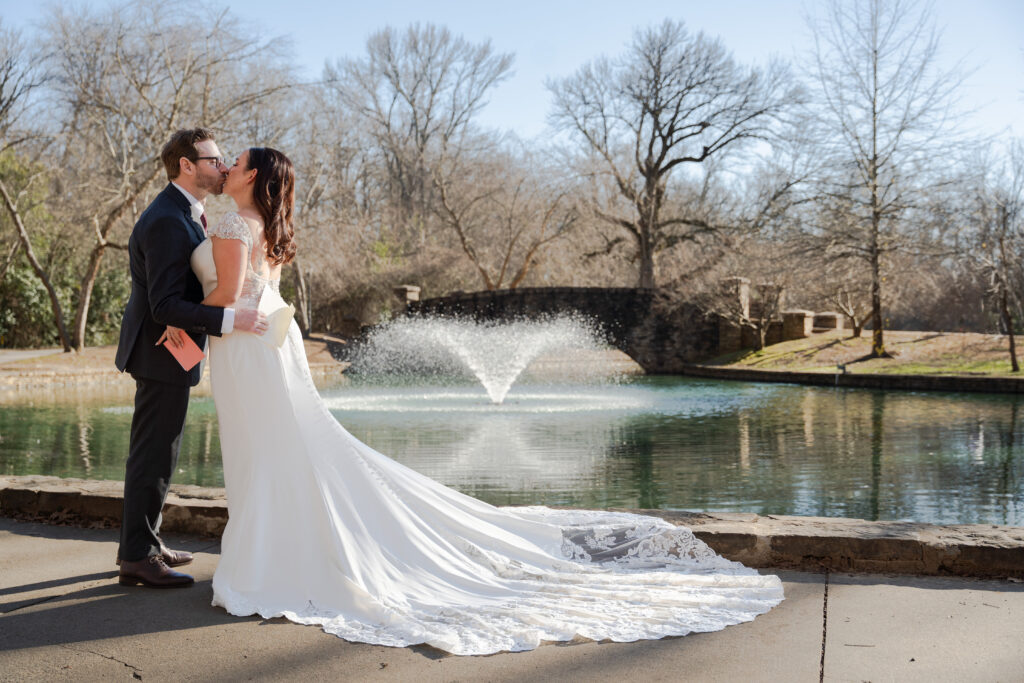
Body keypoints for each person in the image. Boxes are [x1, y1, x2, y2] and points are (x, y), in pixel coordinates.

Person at [182, 146, 784, 655]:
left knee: (265, 451)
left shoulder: (235, 225)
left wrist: (178, 321)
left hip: (249, 350)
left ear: (254, 178)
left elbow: (229, 303)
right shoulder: (260, 227)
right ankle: (283, 551)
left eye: (233, 164)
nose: (226, 169)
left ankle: (267, 563)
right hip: (265, 349)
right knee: (280, 451)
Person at [114, 128, 267, 588]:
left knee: (164, 451)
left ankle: (146, 543)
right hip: (159, 352)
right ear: (187, 164)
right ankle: (137, 558)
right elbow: (163, 306)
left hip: (173, 353)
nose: (222, 167)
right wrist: (229, 322)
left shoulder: (188, 214)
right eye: (214, 160)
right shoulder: (166, 219)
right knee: (153, 454)